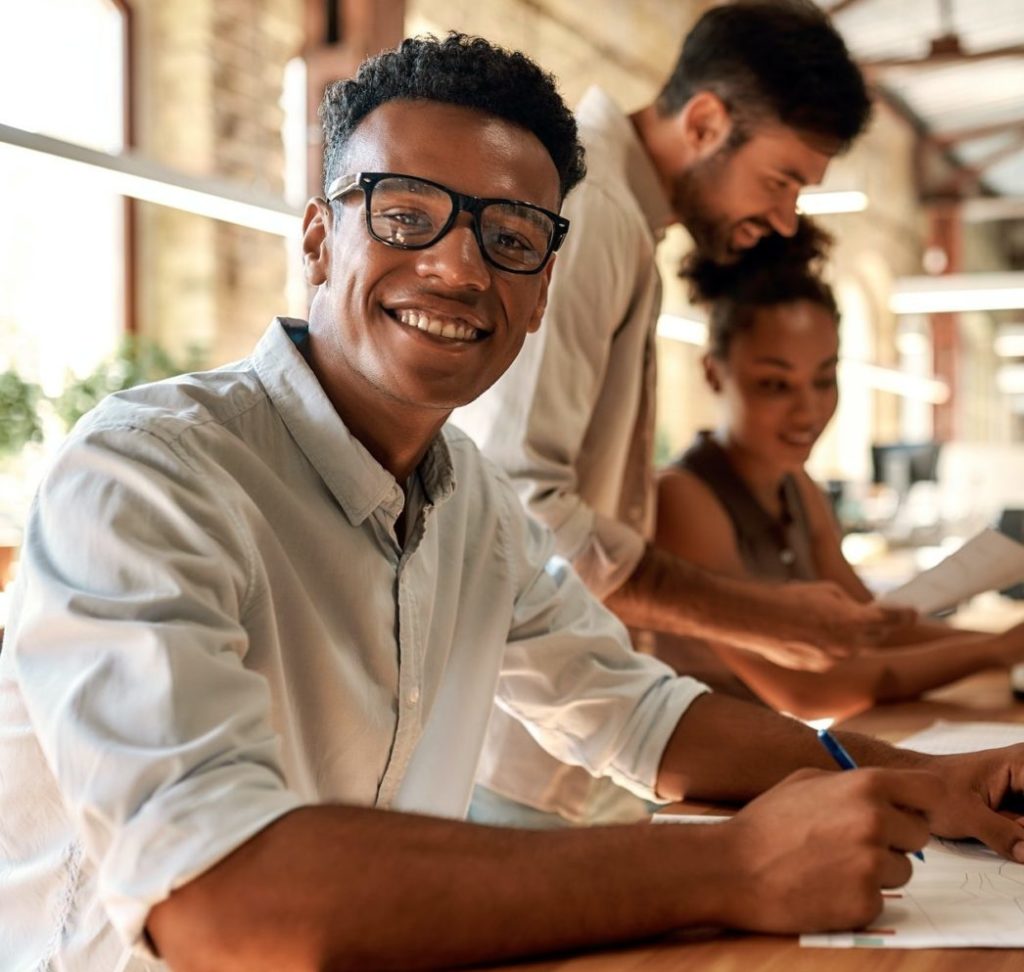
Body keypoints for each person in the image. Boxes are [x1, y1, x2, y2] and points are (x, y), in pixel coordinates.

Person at [2, 31, 1024, 972]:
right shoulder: (147, 479)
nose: (457, 266)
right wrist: (732, 868)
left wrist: (920, 782)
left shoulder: (473, 505)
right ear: (316, 238)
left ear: (541, 291)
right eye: (403, 214)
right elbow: (222, 896)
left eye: (511, 237)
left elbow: (636, 714)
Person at [454, 0, 913, 828]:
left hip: (575, 730)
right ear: (704, 121)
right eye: (781, 182)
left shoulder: (626, 225)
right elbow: (523, 510)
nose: (783, 219)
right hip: (517, 738)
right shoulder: (590, 211)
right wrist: (761, 615)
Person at [653, 217, 1024, 721]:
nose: (808, 412)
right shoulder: (683, 499)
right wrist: (992, 652)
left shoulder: (797, 486)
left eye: (824, 380)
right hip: (675, 785)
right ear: (713, 372)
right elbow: (807, 692)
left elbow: (872, 626)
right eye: (775, 385)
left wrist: (1006, 644)